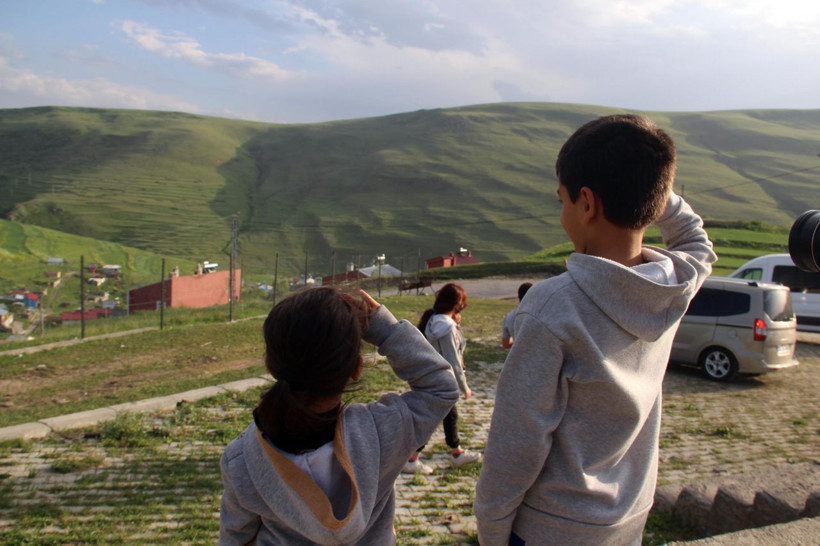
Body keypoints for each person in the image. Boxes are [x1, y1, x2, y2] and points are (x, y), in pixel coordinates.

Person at [474, 114, 717, 545]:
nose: (562, 212)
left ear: (587, 203)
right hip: (628, 519)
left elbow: (517, 443)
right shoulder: (675, 283)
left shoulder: (552, 307)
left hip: (552, 525)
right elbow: (697, 240)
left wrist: (492, 530)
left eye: (563, 200)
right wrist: (648, 186)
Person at [219, 287, 458, 545]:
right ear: (356, 369)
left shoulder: (242, 460)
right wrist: (383, 328)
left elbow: (235, 539)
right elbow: (441, 387)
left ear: (272, 365)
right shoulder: (383, 431)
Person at [403, 282, 483, 474]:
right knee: (434, 418)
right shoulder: (446, 327)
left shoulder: (434, 319)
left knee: (448, 416)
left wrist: (456, 324)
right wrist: (464, 387)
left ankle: (456, 452)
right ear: (457, 303)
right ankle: (412, 458)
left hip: (431, 377)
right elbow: (453, 359)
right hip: (443, 380)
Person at [501, 282, 533, 349]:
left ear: (518, 296)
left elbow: (505, 344)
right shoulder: (539, 315)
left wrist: (517, 341)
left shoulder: (509, 317)